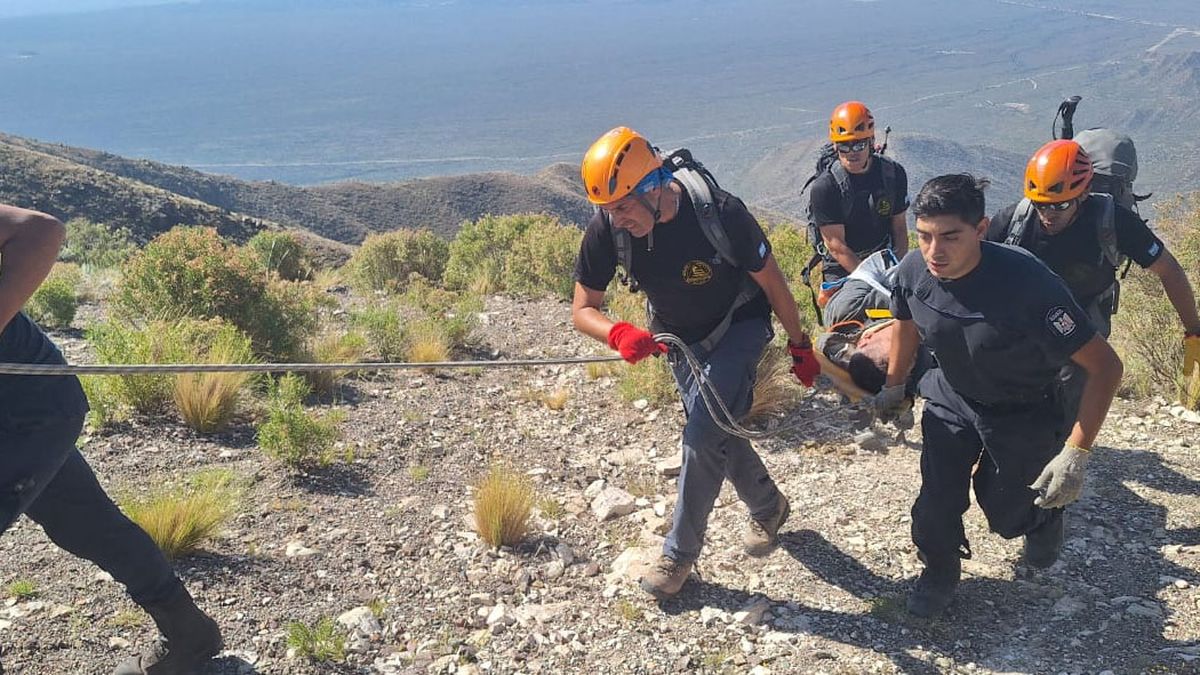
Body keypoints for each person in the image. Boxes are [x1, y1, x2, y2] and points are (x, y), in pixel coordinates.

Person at [572, 127, 819, 599]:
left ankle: (678, 556)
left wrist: (800, 346)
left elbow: (773, 284)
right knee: (717, 429)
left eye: (623, 206)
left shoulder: (721, 213)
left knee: (702, 434)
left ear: (653, 186)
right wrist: (618, 333)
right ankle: (768, 506)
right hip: (678, 340)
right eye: (608, 209)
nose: (617, 219)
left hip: (740, 327)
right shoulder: (609, 227)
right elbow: (583, 309)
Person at [878, 174, 1124, 618]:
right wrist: (895, 386)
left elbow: (1106, 366)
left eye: (951, 236)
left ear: (981, 228)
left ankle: (1043, 519)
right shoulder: (915, 269)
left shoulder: (1029, 284)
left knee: (1008, 513)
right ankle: (939, 572)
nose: (936, 251)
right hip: (952, 396)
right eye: (926, 236)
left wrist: (1076, 454)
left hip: (1023, 408)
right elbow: (905, 321)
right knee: (936, 500)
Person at [0, 204, 222, 674]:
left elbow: (40, 232)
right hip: (35, 407)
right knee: (85, 523)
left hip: (28, 410)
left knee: (85, 522)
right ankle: (190, 635)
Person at [988, 139, 1200, 422]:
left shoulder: (1113, 221)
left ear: (1084, 192)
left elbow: (1168, 269)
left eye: (1060, 205)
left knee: (1076, 382)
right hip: (1025, 315)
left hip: (1083, 314)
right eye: (1040, 205)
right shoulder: (1013, 221)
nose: (1047, 215)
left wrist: (1193, 331)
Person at [807, 101, 910, 284]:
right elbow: (836, 245)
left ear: (871, 142)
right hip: (841, 266)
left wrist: (898, 270)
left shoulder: (893, 174)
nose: (851, 152)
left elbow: (900, 229)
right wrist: (871, 280)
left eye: (858, 145)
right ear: (835, 147)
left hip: (883, 258)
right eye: (844, 146)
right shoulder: (825, 188)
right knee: (843, 310)